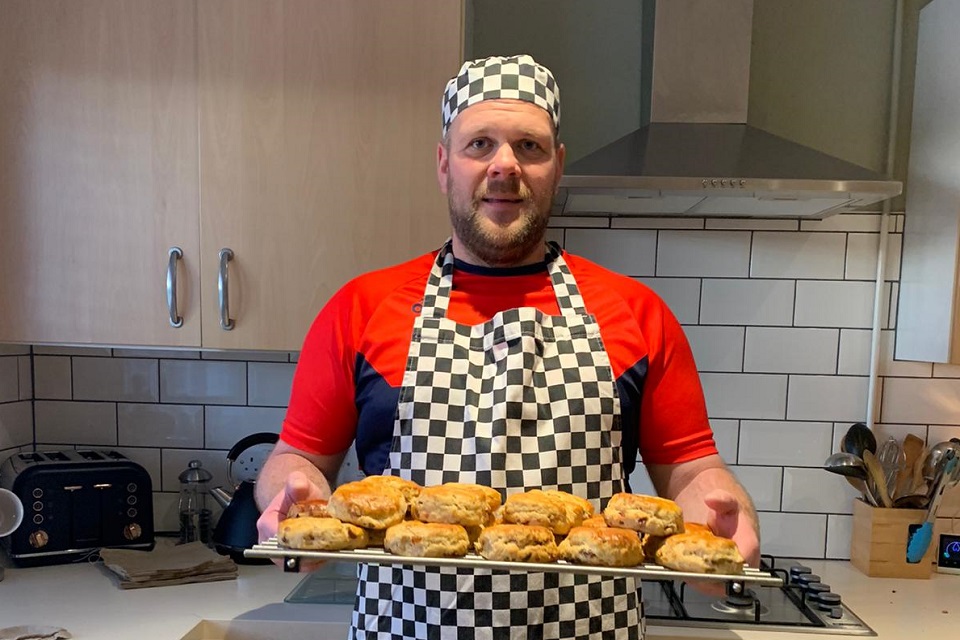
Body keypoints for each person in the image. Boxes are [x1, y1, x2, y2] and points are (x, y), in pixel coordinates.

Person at [256, 54, 760, 640]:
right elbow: (296, 460)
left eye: (529, 146)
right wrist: (293, 497)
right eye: (479, 145)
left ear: (558, 165)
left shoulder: (638, 313)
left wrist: (724, 517)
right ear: (445, 165)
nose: (505, 166)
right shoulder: (360, 309)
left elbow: (694, 470)